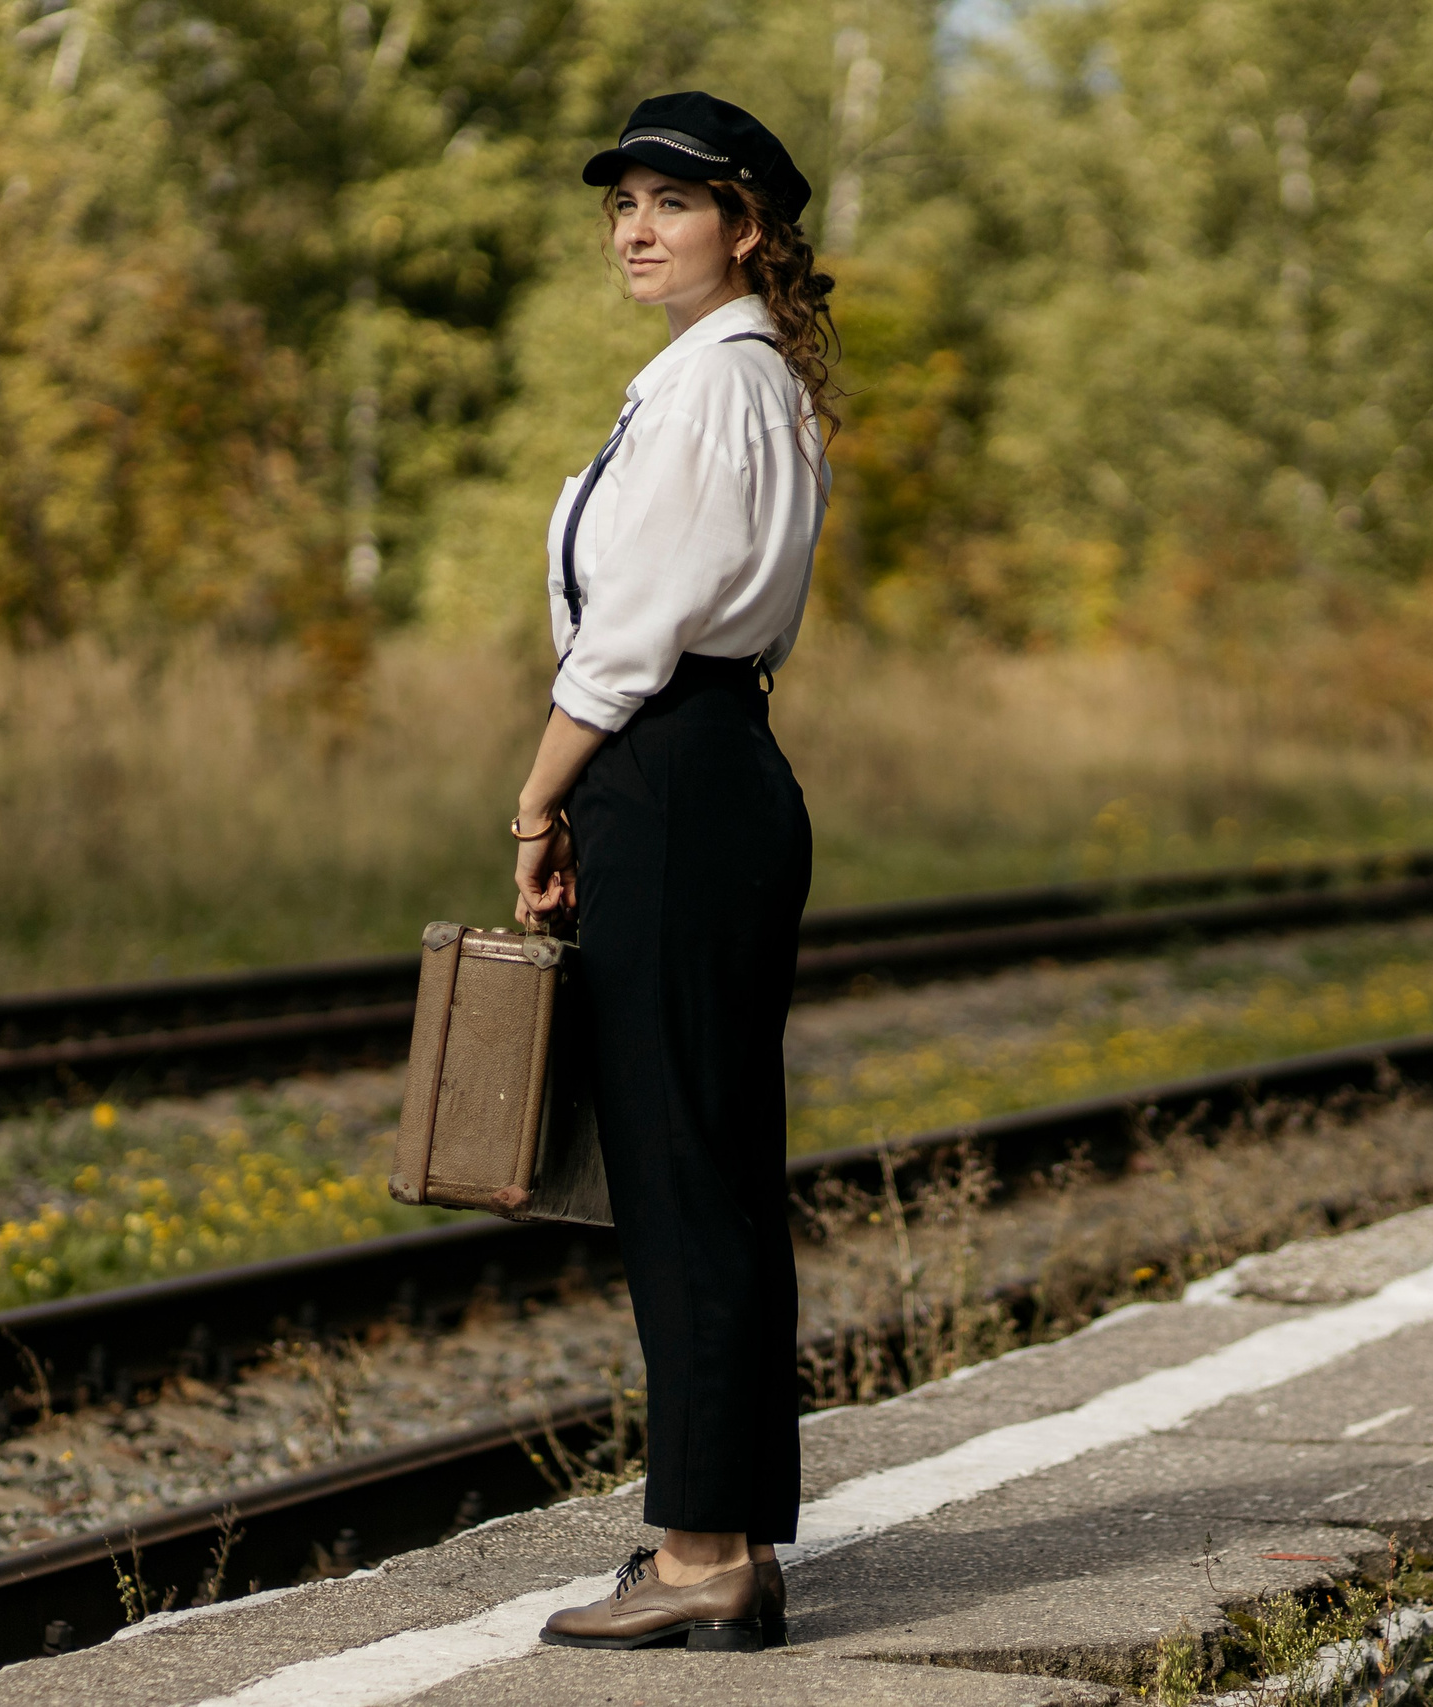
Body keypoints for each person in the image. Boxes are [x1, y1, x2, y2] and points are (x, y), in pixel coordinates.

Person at [509, 91, 835, 1655]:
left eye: (670, 201)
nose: (634, 228)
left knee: (685, 1168)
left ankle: (705, 1549)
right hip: (691, 771)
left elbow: (632, 634)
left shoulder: (719, 386)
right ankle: (719, 1542)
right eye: (622, 202)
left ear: (746, 226)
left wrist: (537, 803)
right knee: (695, 1160)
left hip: (675, 769)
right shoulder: (722, 380)